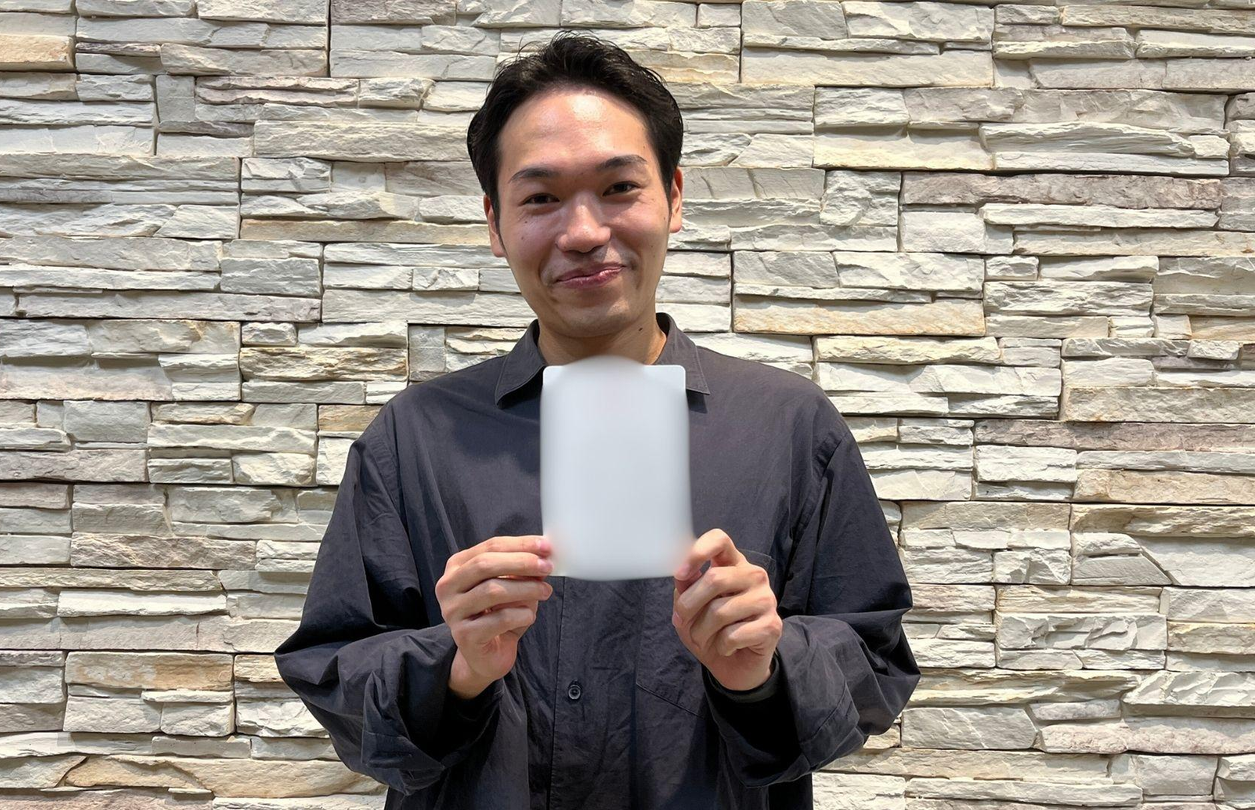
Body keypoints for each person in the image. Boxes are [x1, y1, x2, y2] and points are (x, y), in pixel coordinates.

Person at [274, 31, 920, 810]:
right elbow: (333, 671)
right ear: (494, 222)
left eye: (618, 188)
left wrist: (764, 669)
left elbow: (877, 661)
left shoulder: (789, 427)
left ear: (674, 197)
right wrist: (458, 667)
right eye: (540, 198)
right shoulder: (413, 438)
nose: (583, 232)